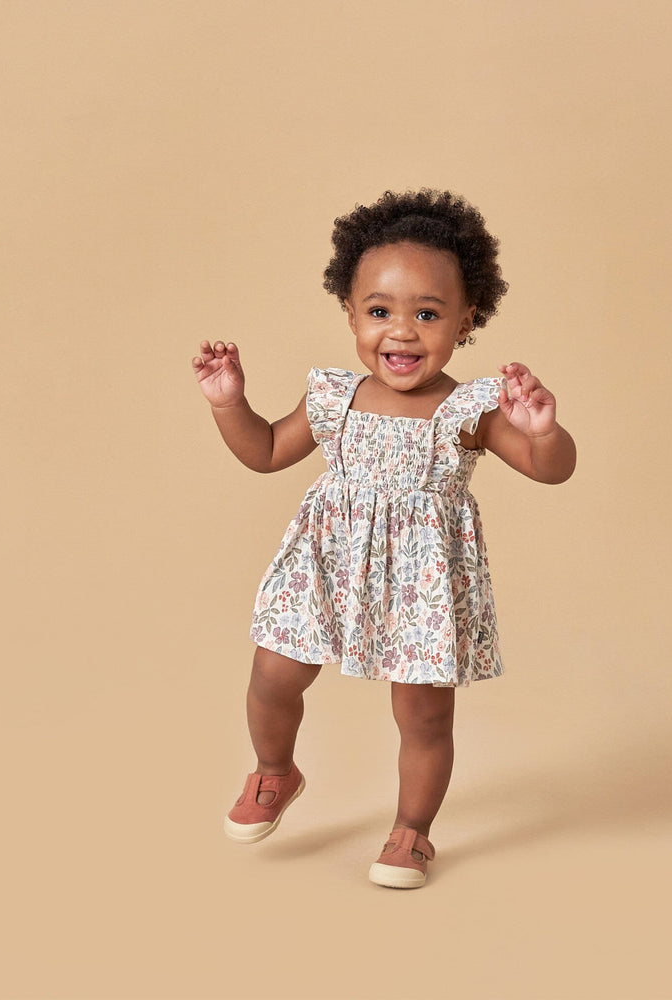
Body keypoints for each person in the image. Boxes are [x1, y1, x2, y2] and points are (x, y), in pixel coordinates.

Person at [193, 189, 576, 888]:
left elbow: (550, 471)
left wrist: (544, 431)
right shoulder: (333, 397)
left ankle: (412, 830)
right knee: (273, 673)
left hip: (422, 582)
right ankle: (275, 771)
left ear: (466, 319)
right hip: (326, 562)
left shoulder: (469, 409)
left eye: (427, 314)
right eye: (379, 312)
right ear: (350, 313)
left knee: (423, 714)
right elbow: (266, 451)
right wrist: (229, 403)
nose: (401, 333)